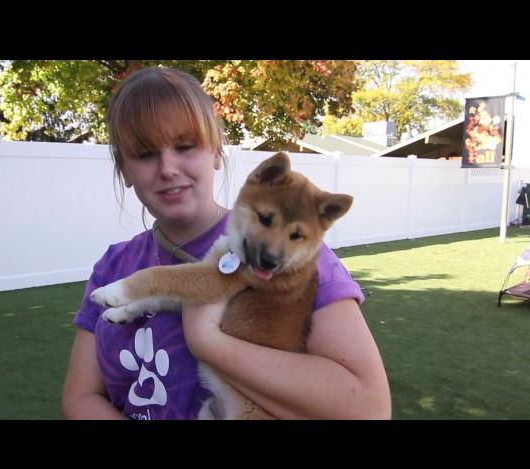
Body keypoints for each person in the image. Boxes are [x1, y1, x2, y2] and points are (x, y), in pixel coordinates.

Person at [61, 66, 392, 420]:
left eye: (185, 146)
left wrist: (207, 341)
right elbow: (81, 399)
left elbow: (368, 408)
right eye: (145, 154)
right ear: (123, 169)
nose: (168, 167)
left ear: (217, 151)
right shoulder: (113, 266)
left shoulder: (295, 259)